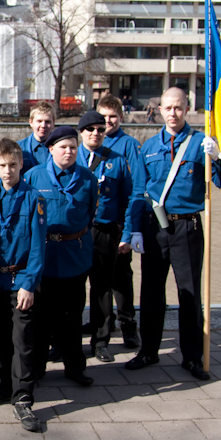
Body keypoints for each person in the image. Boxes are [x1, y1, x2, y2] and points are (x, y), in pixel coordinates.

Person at [125, 87, 221, 381]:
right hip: (154, 227)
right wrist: (135, 229)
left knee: (189, 293)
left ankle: (192, 356)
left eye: (178, 108)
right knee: (151, 291)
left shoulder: (200, 143)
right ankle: (148, 350)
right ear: (160, 111)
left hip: (187, 227)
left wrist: (218, 158)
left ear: (187, 109)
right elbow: (139, 192)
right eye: (168, 108)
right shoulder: (149, 146)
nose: (173, 113)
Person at [0, 139, 47, 432]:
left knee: (22, 341)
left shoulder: (34, 199)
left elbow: (38, 247)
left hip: (21, 280)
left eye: (13, 165)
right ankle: (6, 385)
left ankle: (23, 397)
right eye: (3, 165)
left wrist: (29, 284)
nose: (8, 171)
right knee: (1, 339)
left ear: (21, 164)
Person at [25, 126, 98, 388]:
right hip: (44, 256)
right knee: (41, 318)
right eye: (63, 147)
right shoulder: (34, 176)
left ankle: (75, 366)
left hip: (74, 254)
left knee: (72, 316)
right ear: (51, 149)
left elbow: (90, 214)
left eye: (73, 147)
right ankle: (37, 368)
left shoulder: (87, 178)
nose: (69, 152)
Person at [75, 111, 133, 363]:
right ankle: (67, 341)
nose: (96, 134)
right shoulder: (68, 155)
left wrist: (127, 232)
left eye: (100, 129)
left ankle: (100, 341)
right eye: (90, 129)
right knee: (73, 289)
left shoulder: (117, 160)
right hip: (75, 233)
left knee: (102, 288)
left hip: (105, 231)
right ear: (81, 132)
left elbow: (129, 199)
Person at [96, 94, 142, 348]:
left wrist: (129, 230)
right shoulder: (92, 142)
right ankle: (103, 323)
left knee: (121, 279)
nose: (108, 121)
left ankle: (128, 325)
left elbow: (135, 190)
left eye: (112, 116)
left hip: (118, 224)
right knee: (99, 280)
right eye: (103, 116)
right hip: (95, 226)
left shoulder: (129, 146)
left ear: (121, 118)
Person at [17, 101, 55, 174]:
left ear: (53, 123)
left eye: (47, 122)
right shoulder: (19, 148)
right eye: (39, 121)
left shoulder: (61, 148)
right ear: (31, 122)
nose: (43, 125)